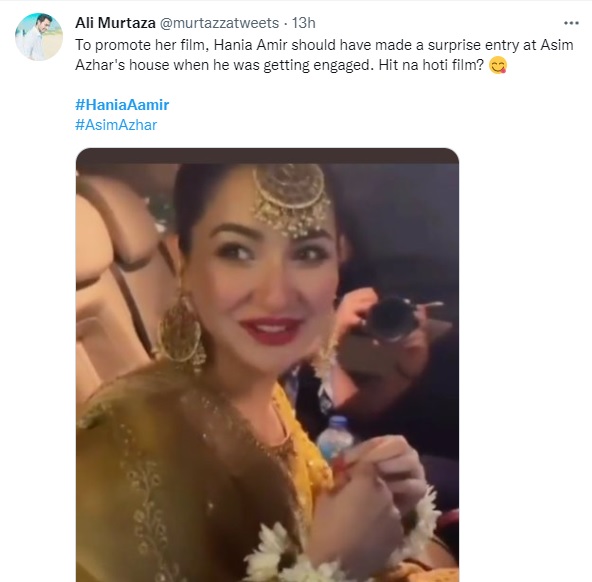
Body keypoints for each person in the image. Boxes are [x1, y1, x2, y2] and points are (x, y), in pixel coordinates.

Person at [77, 163, 458, 581]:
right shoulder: (119, 445)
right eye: (237, 252)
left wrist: (384, 502)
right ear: (186, 265)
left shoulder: (264, 392)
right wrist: (329, 567)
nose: (277, 296)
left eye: (308, 254)